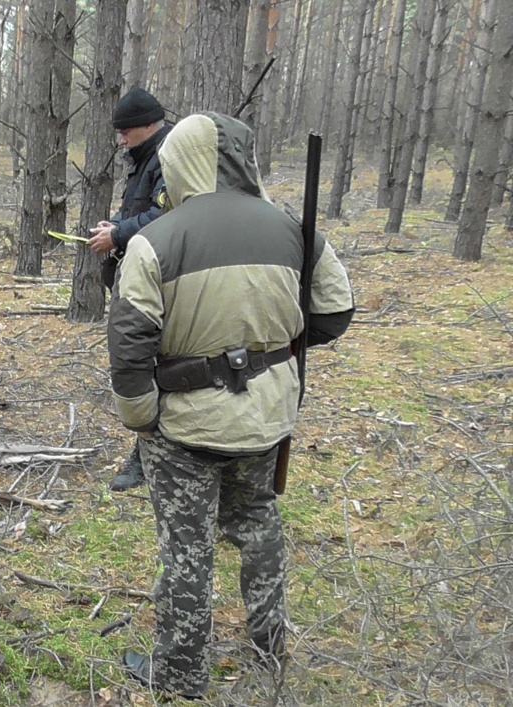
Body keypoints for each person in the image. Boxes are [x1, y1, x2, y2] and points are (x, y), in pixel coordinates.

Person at [106, 112, 354, 699]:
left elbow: (130, 343)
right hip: (266, 420)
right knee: (259, 525)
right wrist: (274, 357)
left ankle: (180, 675)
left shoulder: (156, 239)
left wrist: (141, 416)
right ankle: (270, 654)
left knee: (186, 548)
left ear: (178, 160)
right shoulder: (295, 230)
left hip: (185, 428)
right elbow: (336, 311)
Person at [88, 87, 172, 493]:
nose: (120, 139)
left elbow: (167, 215)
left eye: (126, 131)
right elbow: (141, 208)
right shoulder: (142, 158)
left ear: (150, 125)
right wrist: (116, 225)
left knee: (155, 364)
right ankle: (148, 450)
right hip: (140, 273)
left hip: (161, 279)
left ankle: (149, 455)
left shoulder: (169, 156)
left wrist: (119, 234)